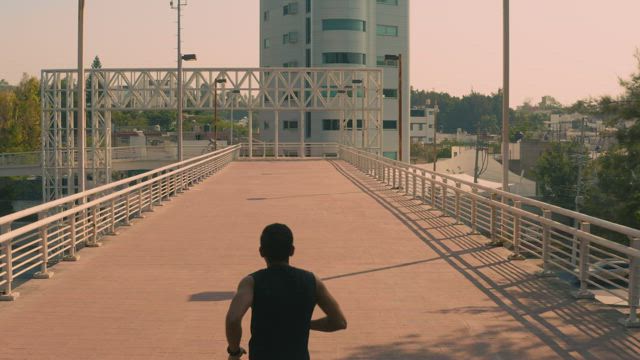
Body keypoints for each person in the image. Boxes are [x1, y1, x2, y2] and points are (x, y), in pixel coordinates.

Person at [225, 223, 347, 360]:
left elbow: (233, 319)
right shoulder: (311, 281)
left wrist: (234, 351)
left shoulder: (251, 282)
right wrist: (305, 324)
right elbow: (339, 322)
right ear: (292, 250)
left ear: (261, 251)